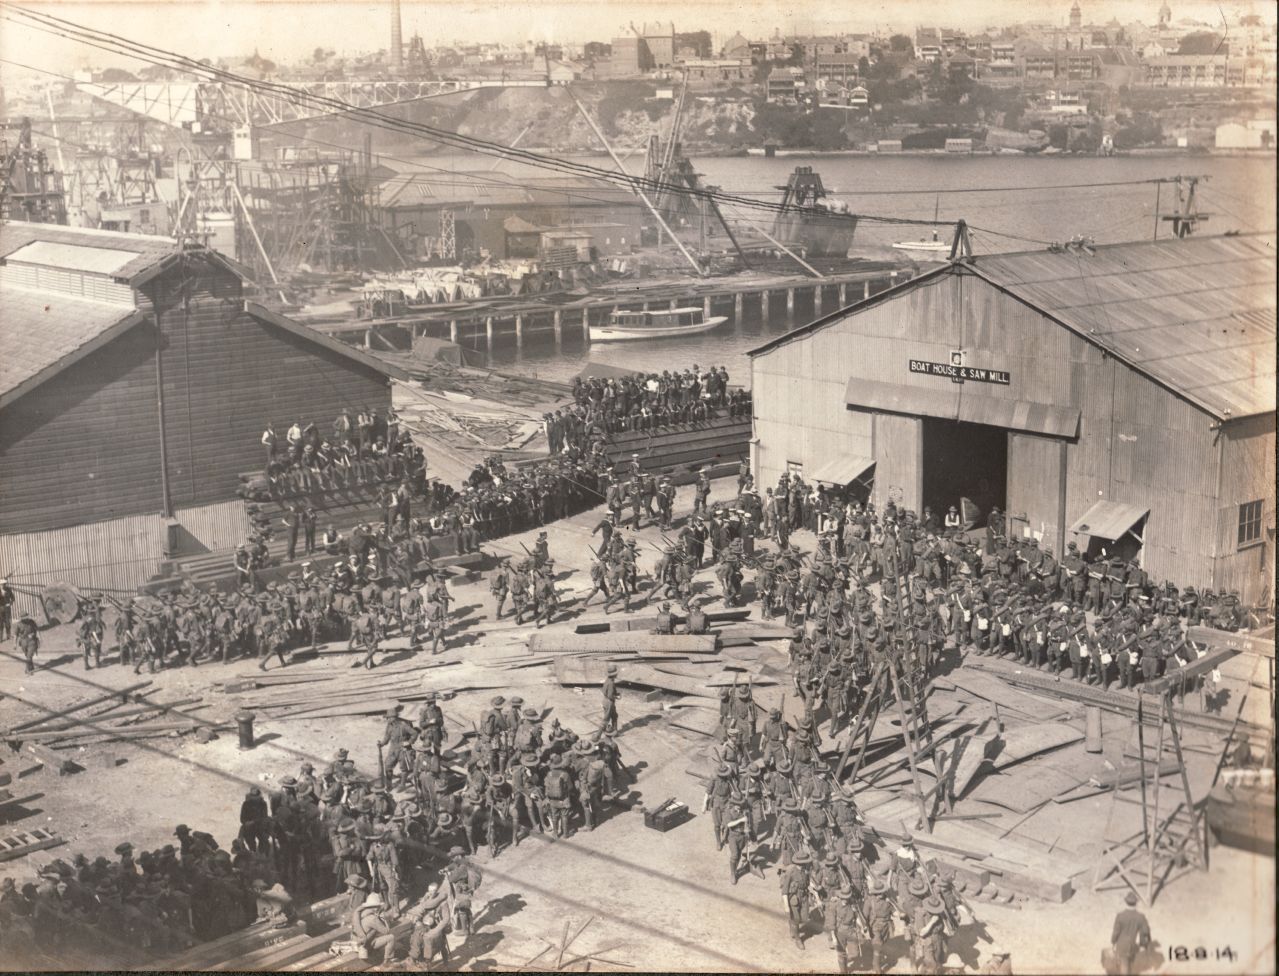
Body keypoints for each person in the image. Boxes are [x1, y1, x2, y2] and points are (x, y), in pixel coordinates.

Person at [1109, 892, 1151, 975]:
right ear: (1136, 903)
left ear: (1126, 902)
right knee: (1129, 964)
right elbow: (1145, 931)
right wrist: (1143, 944)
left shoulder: (1120, 916)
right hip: (1132, 945)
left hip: (1121, 946)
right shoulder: (1140, 917)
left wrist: (1113, 942)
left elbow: (1116, 932)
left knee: (1124, 967)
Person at [601, 664, 619, 735]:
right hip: (609, 702)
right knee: (606, 719)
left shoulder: (608, 680)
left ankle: (615, 732)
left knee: (614, 716)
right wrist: (616, 697)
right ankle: (598, 735)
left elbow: (605, 691)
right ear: (614, 674)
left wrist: (615, 693)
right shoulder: (611, 683)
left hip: (606, 701)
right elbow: (610, 695)